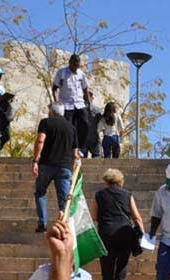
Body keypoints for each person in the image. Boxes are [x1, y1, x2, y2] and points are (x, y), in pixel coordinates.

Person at [90, 168, 144, 280]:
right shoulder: (127, 195)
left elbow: (93, 216)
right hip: (124, 234)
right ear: (120, 181)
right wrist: (142, 236)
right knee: (122, 264)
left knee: (107, 271)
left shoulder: (99, 195)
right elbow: (137, 217)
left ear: (106, 181)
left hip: (106, 234)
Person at [32, 102, 78, 233]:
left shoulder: (46, 122)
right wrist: (74, 166)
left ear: (52, 112)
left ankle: (42, 223)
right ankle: (63, 223)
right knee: (64, 200)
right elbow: (75, 152)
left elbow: (40, 140)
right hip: (65, 167)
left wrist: (35, 160)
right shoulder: (71, 128)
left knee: (40, 192)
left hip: (46, 164)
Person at [52, 54, 90, 154]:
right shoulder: (61, 73)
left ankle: (80, 147)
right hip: (66, 105)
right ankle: (68, 148)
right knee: (68, 127)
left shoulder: (81, 74)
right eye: (74, 65)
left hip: (79, 104)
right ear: (70, 63)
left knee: (85, 123)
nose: (76, 67)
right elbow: (54, 88)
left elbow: (85, 89)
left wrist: (89, 102)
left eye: (78, 65)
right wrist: (56, 102)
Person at [83, 90, 102, 158]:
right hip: (94, 136)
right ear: (91, 98)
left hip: (82, 137)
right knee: (96, 155)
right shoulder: (97, 109)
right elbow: (100, 122)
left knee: (82, 157)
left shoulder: (79, 109)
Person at [0, 92, 15, 156]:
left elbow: (10, 117)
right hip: (0, 121)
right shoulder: (0, 104)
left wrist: (10, 105)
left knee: (7, 136)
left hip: (5, 122)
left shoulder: (9, 105)